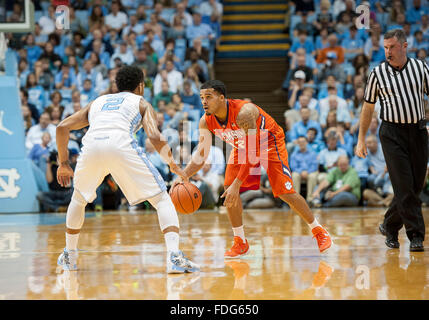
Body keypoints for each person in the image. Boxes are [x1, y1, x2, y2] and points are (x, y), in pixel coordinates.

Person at [54, 66, 199, 273]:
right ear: (140, 86)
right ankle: (174, 256)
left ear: (117, 85)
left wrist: (63, 163)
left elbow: (61, 127)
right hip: (120, 144)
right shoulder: (141, 103)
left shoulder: (97, 102)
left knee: (78, 199)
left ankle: (69, 256)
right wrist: (172, 164)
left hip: (92, 146)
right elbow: (155, 137)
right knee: (162, 199)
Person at [173, 80, 332, 258]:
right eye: (202, 97)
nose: (203, 101)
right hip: (242, 146)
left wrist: (237, 183)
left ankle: (319, 231)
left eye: (208, 97)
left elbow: (253, 153)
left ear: (222, 98)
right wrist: (184, 174)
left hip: (269, 142)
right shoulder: (205, 121)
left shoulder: (244, 113)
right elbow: (201, 154)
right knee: (228, 191)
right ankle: (240, 242)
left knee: (284, 192)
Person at [356, 29, 429, 252]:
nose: (388, 52)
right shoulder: (377, 74)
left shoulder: (421, 68)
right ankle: (415, 235)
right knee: (404, 185)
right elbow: (368, 108)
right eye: (385, 48)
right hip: (391, 134)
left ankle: (389, 224)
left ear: (404, 46)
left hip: (417, 131)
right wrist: (361, 139)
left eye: (392, 47)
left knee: (415, 187)